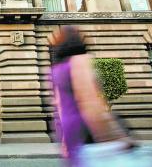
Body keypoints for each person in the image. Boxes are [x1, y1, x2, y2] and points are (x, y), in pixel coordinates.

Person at [49, 26, 133, 167]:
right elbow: (89, 102)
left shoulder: (55, 69)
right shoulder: (79, 61)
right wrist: (114, 136)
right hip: (85, 128)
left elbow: (58, 105)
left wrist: (64, 139)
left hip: (68, 128)